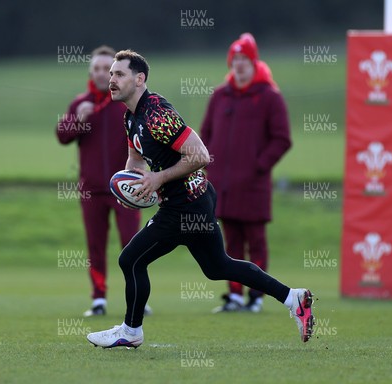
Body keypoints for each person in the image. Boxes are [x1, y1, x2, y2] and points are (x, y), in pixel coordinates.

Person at [86, 50, 314, 349]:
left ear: (139, 79)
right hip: (192, 200)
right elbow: (135, 159)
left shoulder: (157, 113)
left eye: (119, 74)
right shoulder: (131, 117)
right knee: (217, 266)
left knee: (130, 259)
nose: (111, 80)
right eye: (111, 74)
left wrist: (158, 179)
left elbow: (201, 155)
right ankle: (293, 297)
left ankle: (131, 331)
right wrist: (133, 189)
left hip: (185, 205)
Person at [200, 33, 292, 313]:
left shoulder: (269, 96)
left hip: (253, 185)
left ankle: (257, 296)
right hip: (223, 186)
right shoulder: (220, 95)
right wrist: (209, 164)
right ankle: (235, 295)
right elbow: (205, 133)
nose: (239, 65)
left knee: (256, 242)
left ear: (254, 62)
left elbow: (281, 139)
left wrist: (258, 166)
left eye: (244, 59)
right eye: (235, 59)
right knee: (230, 245)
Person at [56, 45, 141, 317]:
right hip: (92, 190)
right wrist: (78, 119)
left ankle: (138, 296)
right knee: (95, 245)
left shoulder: (128, 102)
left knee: (133, 243)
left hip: (127, 188)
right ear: (90, 72)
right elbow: (62, 136)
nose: (103, 74)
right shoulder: (81, 104)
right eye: (97, 69)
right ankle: (99, 299)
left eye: (109, 69)